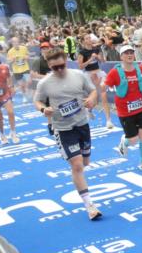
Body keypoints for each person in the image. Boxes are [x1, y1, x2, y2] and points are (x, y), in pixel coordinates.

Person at [34, 48, 102, 221]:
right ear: (49, 66)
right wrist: (44, 109)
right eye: (54, 68)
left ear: (66, 60)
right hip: (63, 128)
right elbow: (37, 100)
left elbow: (93, 90)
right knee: (77, 165)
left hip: (82, 124)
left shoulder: (78, 75)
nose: (58, 70)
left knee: (85, 162)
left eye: (61, 66)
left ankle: (80, 179)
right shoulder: (45, 83)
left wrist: (92, 99)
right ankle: (90, 206)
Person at [104, 45, 142, 172]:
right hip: (125, 111)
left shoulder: (139, 68)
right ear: (121, 56)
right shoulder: (115, 72)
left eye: (131, 52)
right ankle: (124, 142)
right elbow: (105, 86)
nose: (130, 55)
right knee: (133, 140)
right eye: (126, 53)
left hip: (141, 108)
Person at [78, 34, 114, 129]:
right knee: (93, 100)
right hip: (88, 75)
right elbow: (81, 66)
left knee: (103, 95)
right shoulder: (82, 52)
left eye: (89, 37)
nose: (89, 39)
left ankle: (108, 120)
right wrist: (90, 59)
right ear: (83, 41)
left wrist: (98, 57)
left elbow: (103, 61)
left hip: (99, 73)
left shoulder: (97, 49)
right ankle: (89, 110)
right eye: (86, 38)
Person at [6, 36, 31, 103]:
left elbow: (28, 55)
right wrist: (12, 59)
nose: (15, 43)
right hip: (17, 70)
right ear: (12, 43)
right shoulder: (10, 51)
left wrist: (26, 57)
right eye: (14, 42)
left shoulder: (24, 48)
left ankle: (28, 93)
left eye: (16, 41)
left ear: (19, 42)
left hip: (25, 68)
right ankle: (25, 96)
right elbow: (8, 61)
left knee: (28, 82)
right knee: (21, 85)